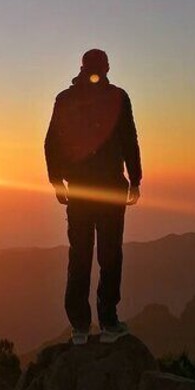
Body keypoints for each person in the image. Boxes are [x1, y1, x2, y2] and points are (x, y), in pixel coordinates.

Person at [44, 49, 142, 345]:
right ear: (108, 66)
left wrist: (57, 180)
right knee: (110, 256)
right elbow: (129, 139)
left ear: (82, 67)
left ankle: (80, 327)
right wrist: (135, 179)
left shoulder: (65, 99)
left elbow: (52, 142)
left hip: (80, 190)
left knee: (80, 255)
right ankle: (108, 321)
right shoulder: (118, 97)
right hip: (110, 188)